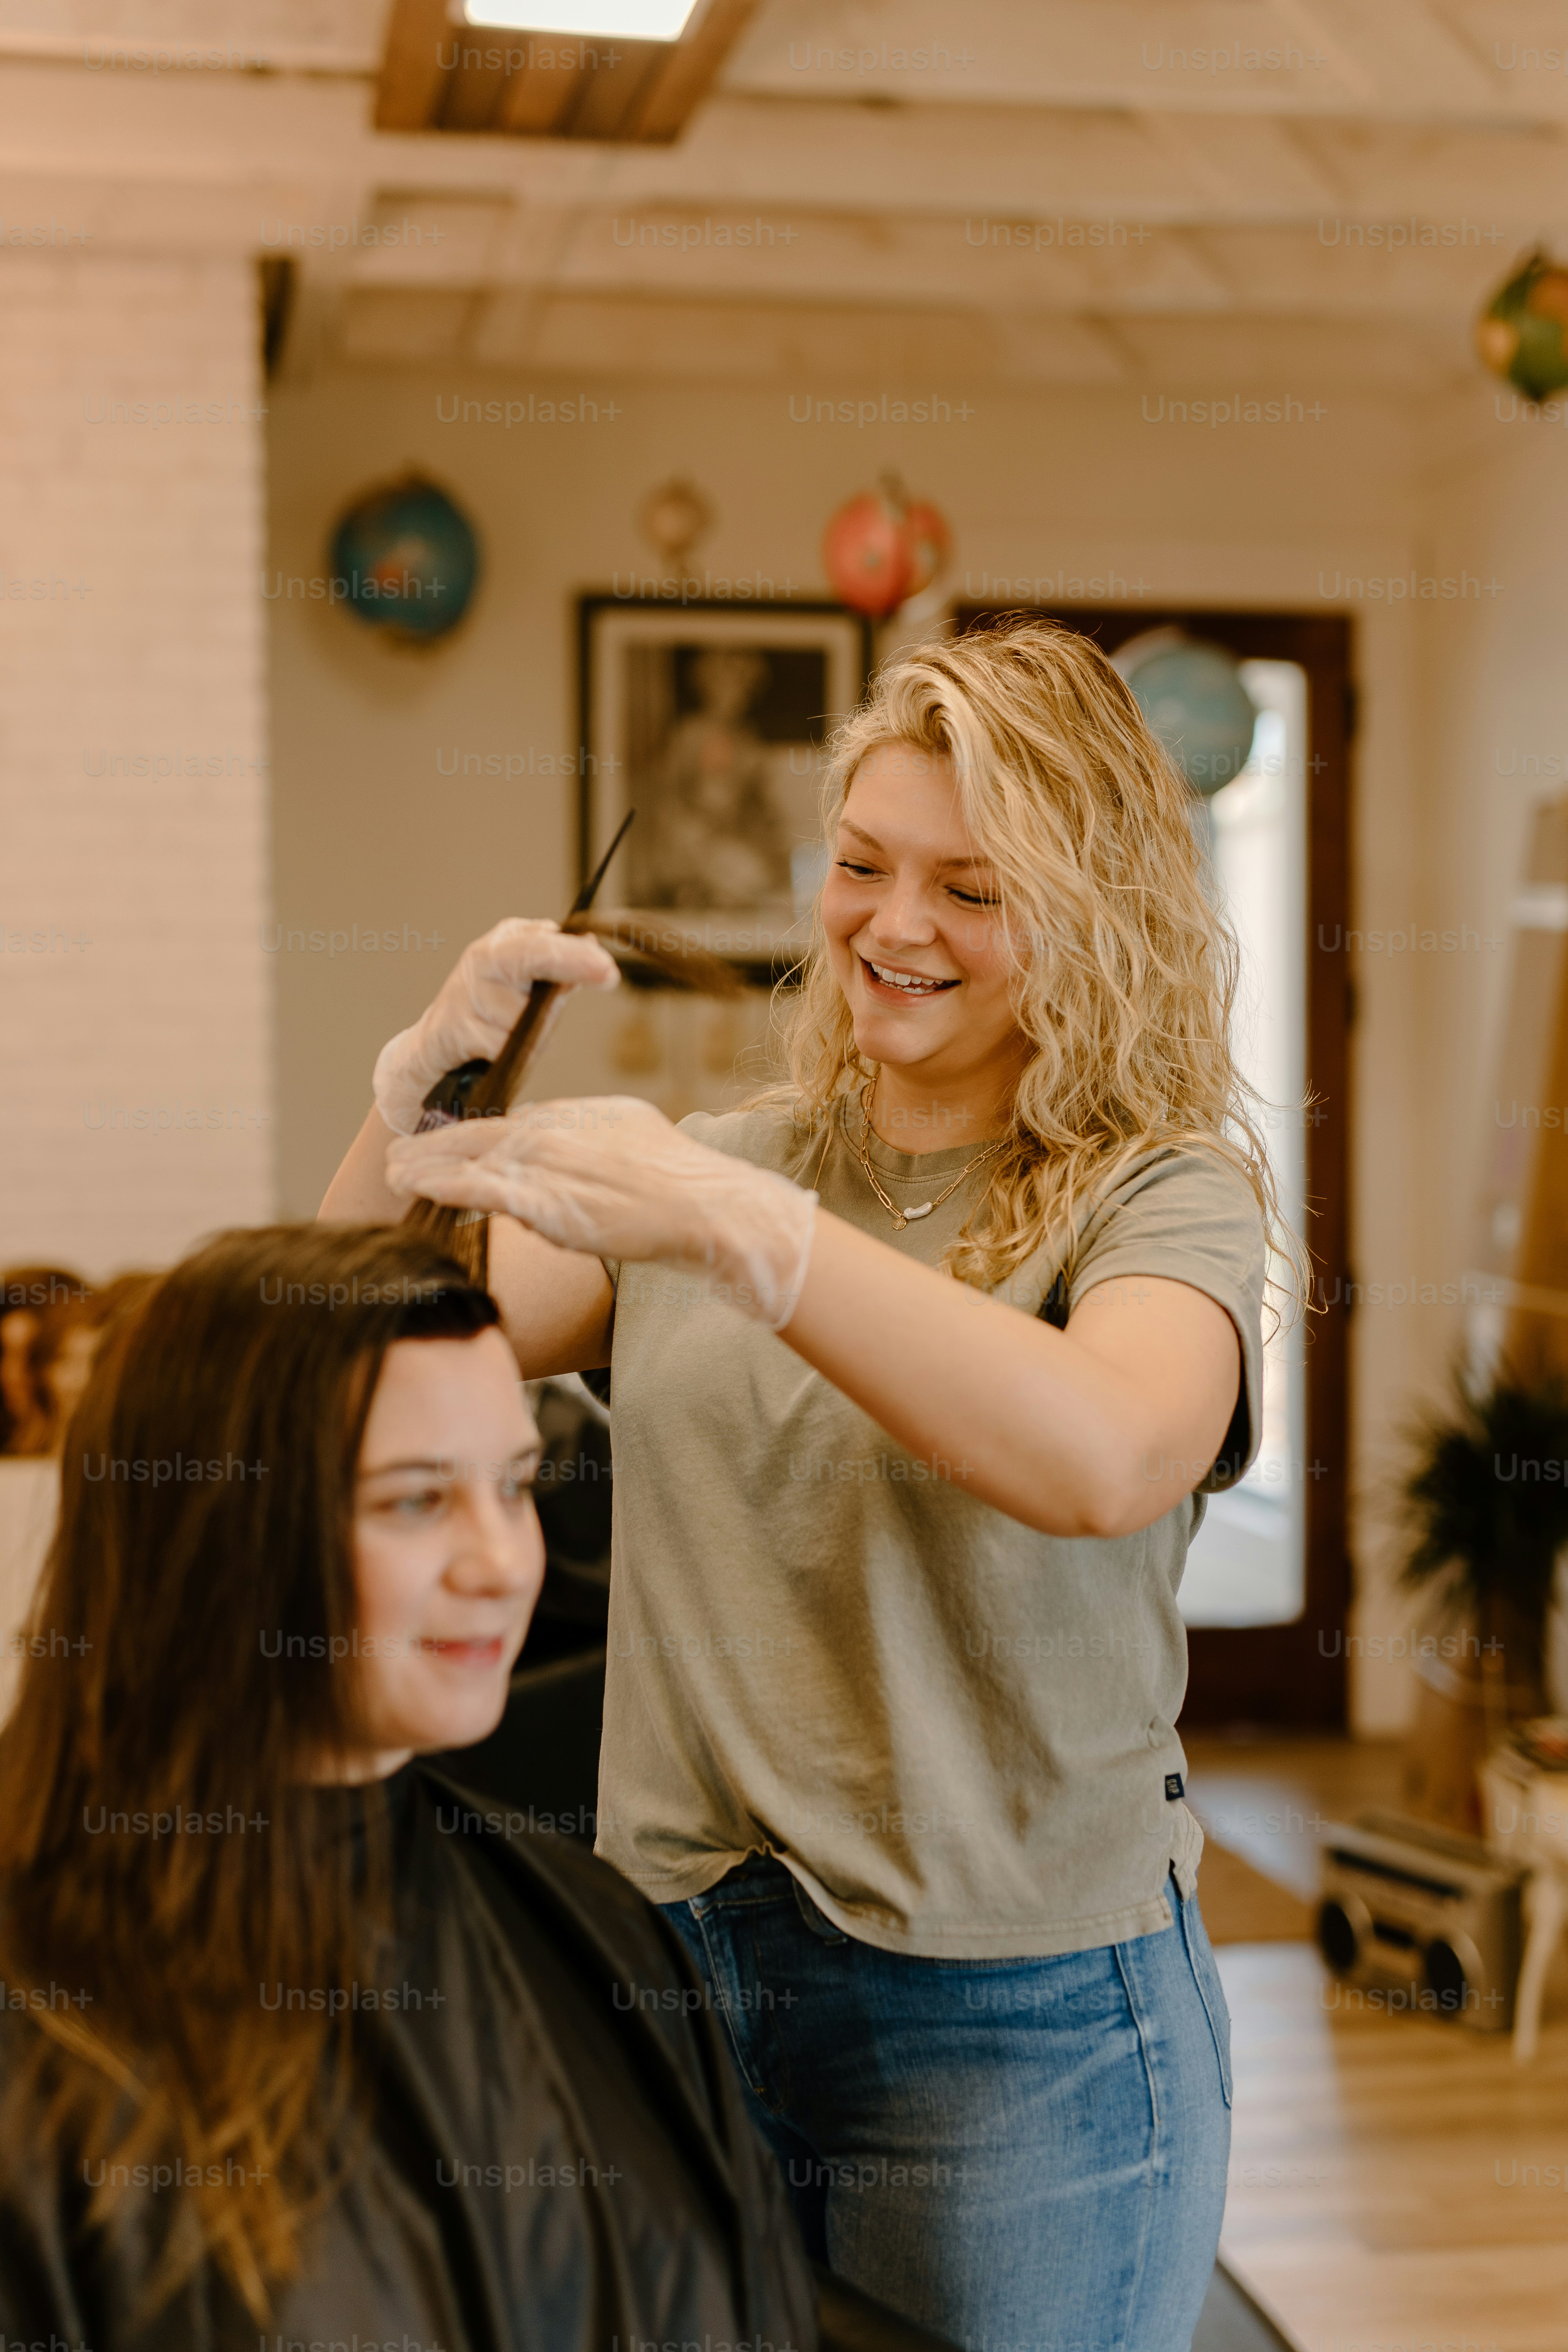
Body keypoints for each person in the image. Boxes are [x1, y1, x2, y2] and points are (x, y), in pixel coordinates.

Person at [325, 619, 1305, 2352]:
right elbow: (344, 1349)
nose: (892, 927)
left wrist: (742, 1237)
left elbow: (1096, 1454)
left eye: (970, 889)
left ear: (1092, 915)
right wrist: (408, 1099)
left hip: (1017, 2025)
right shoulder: (722, 1172)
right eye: (861, 866)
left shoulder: (1161, 1202)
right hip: (674, 1978)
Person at [0, 1223, 815, 2352]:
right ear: (221, 1528)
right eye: (418, 1502)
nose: (503, 1562)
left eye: (517, 1486)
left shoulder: (598, 1932)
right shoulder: (46, 2020)